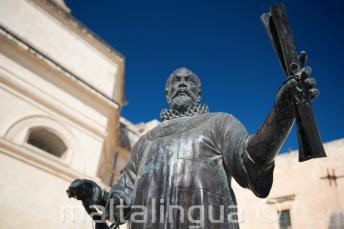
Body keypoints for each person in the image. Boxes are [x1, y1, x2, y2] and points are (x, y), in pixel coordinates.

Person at [67, 65, 319, 228]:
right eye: (175, 81)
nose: (182, 83)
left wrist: (283, 111)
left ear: (198, 93)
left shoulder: (219, 122)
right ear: (167, 93)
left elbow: (250, 161)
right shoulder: (145, 141)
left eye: (189, 80)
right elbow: (122, 199)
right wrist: (98, 195)